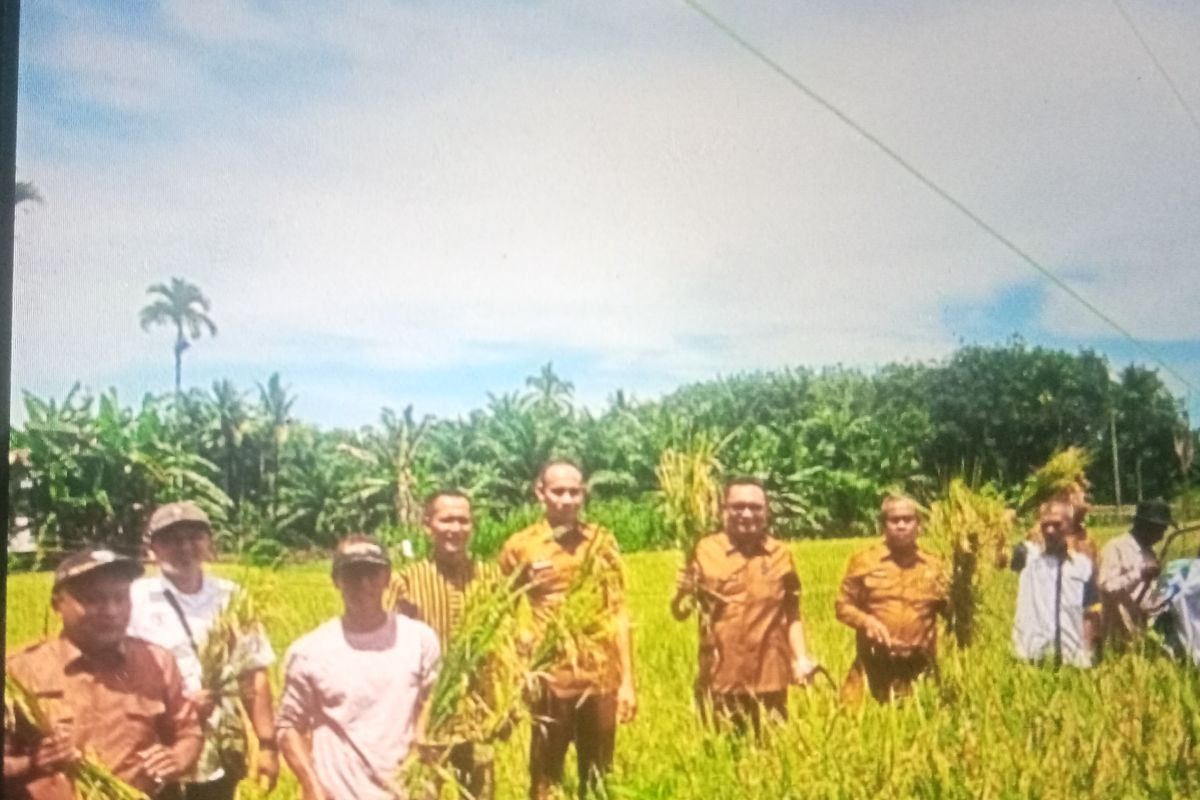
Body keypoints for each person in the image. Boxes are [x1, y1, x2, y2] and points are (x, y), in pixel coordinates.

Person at [5, 548, 203, 799]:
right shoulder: (17, 670)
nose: (111, 611)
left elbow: (188, 733)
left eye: (121, 598)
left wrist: (177, 758)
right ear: (58, 603)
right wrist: (33, 762)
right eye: (93, 599)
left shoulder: (157, 661)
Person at [498, 460, 637, 800]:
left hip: (600, 678)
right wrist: (520, 649)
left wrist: (628, 682)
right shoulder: (521, 546)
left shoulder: (601, 542)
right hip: (550, 681)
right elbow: (500, 610)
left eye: (574, 492)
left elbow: (618, 611)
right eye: (558, 491)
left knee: (600, 775)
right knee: (545, 776)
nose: (567, 499)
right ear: (540, 493)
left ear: (583, 494)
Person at [127, 501, 279, 800]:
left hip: (221, 745)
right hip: (158, 747)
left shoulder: (232, 597)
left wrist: (267, 745)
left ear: (209, 543)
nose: (184, 547)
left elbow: (254, 675)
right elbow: (116, 676)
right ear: (152, 547)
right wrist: (178, 709)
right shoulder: (134, 598)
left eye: (194, 537)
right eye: (171, 539)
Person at [277, 534, 441, 800]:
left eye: (372, 573)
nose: (363, 583)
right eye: (352, 573)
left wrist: (424, 747)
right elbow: (288, 726)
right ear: (336, 580)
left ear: (387, 578)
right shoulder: (309, 651)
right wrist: (311, 785)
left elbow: (431, 704)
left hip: (407, 792)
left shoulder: (420, 640)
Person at [670, 477, 818, 734]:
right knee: (722, 760)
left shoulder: (781, 554)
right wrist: (681, 594)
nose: (747, 514)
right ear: (723, 510)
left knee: (772, 758)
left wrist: (801, 658)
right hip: (719, 677)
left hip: (771, 676)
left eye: (755, 507)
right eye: (738, 507)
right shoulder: (704, 549)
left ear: (766, 511)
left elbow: (792, 611)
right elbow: (681, 613)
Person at [390, 490, 502, 799]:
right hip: (426, 712)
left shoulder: (491, 577)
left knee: (480, 791)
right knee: (425, 791)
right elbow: (386, 646)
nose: (455, 528)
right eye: (446, 520)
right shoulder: (407, 581)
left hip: (477, 710)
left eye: (463, 520)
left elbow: (506, 639)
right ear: (428, 525)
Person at [835, 494, 948, 704]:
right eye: (894, 520)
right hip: (874, 665)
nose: (901, 525)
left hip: (918, 667)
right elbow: (842, 606)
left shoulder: (935, 566)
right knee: (859, 727)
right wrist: (866, 621)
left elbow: (952, 614)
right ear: (883, 525)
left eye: (908, 519)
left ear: (918, 525)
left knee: (918, 726)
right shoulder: (864, 561)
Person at [1012, 501, 1101, 668]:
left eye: (1057, 525)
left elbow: (1090, 613)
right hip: (1032, 659)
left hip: (1072, 661)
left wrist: (1088, 652)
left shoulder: (1082, 565)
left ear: (1070, 526)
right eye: (1045, 525)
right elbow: (998, 555)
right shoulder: (1028, 557)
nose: (1050, 530)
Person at [1098, 499, 1172, 650]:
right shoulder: (1116, 548)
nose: (1161, 536)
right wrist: (1139, 574)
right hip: (1119, 633)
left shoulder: (1150, 553)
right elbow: (1105, 586)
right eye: (1160, 530)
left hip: (1141, 630)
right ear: (1146, 526)